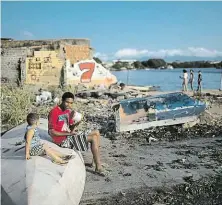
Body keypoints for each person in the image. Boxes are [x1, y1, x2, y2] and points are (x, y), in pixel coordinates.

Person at [48, 92, 104, 175]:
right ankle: (98, 167)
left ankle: (94, 162)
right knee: (93, 138)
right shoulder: (54, 112)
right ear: (62, 101)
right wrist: (69, 134)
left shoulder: (67, 111)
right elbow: (51, 132)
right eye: (67, 102)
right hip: (61, 140)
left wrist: (76, 123)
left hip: (68, 135)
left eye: (71, 103)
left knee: (96, 132)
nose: (69, 105)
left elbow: (70, 129)